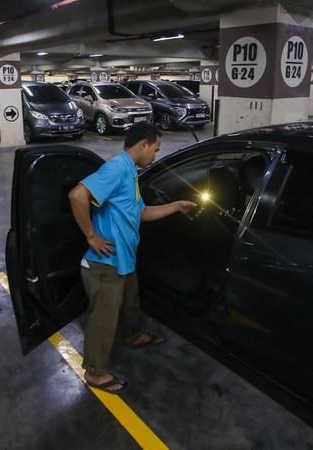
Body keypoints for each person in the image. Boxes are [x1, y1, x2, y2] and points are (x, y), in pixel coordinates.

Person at [68, 122, 196, 394]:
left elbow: (141, 213)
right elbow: (77, 195)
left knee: (129, 304)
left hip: (124, 259)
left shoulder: (130, 173)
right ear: (143, 144)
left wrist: (176, 206)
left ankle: (133, 335)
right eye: (156, 149)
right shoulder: (116, 169)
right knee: (103, 319)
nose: (155, 155)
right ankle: (95, 372)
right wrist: (91, 236)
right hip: (105, 264)